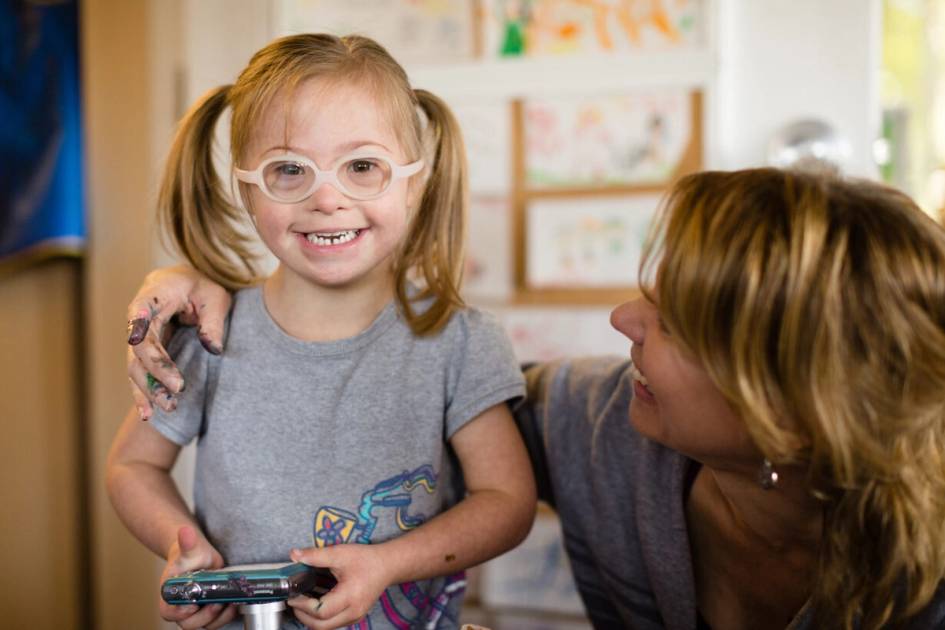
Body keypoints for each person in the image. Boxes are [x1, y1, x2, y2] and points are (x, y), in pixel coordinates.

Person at [126, 167, 945, 629]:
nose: (623, 319)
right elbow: (394, 400)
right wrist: (224, 289)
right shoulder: (590, 421)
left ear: (791, 409)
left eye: (673, 322)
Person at [107, 33, 537, 630]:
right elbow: (133, 466)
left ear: (414, 181)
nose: (328, 199)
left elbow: (508, 503)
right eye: (289, 170)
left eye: (363, 166)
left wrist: (386, 564)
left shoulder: (458, 340)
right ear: (246, 189)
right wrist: (181, 549)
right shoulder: (209, 333)